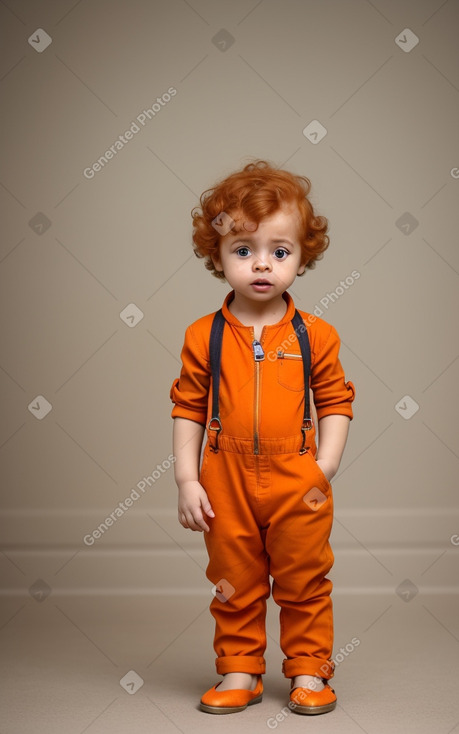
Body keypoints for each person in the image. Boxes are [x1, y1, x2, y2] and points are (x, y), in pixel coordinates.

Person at [170, 160, 355, 715]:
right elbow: (188, 407)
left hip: (298, 477)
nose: (261, 265)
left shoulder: (315, 334)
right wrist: (186, 477)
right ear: (217, 255)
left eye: (280, 251)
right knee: (233, 580)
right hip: (223, 477)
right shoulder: (204, 335)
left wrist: (322, 468)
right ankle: (240, 670)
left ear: (302, 256)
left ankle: (308, 670)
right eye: (243, 249)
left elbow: (336, 402)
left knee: (304, 579)